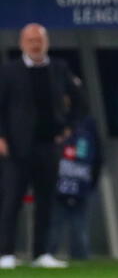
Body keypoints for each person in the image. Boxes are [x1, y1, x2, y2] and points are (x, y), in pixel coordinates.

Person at [0, 23, 83, 269]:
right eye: (30, 40)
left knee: (46, 201)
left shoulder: (60, 68)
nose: (35, 45)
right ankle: (5, 253)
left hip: (48, 145)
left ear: (46, 43)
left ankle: (41, 253)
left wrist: (68, 127)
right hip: (16, 147)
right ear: (22, 44)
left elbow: (80, 101)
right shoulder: (9, 71)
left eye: (39, 40)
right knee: (10, 201)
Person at [48, 98, 102, 260]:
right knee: (54, 227)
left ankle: (80, 261)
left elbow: (98, 156)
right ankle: (46, 257)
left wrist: (92, 181)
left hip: (81, 185)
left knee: (79, 228)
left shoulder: (88, 124)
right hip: (57, 185)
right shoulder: (54, 121)